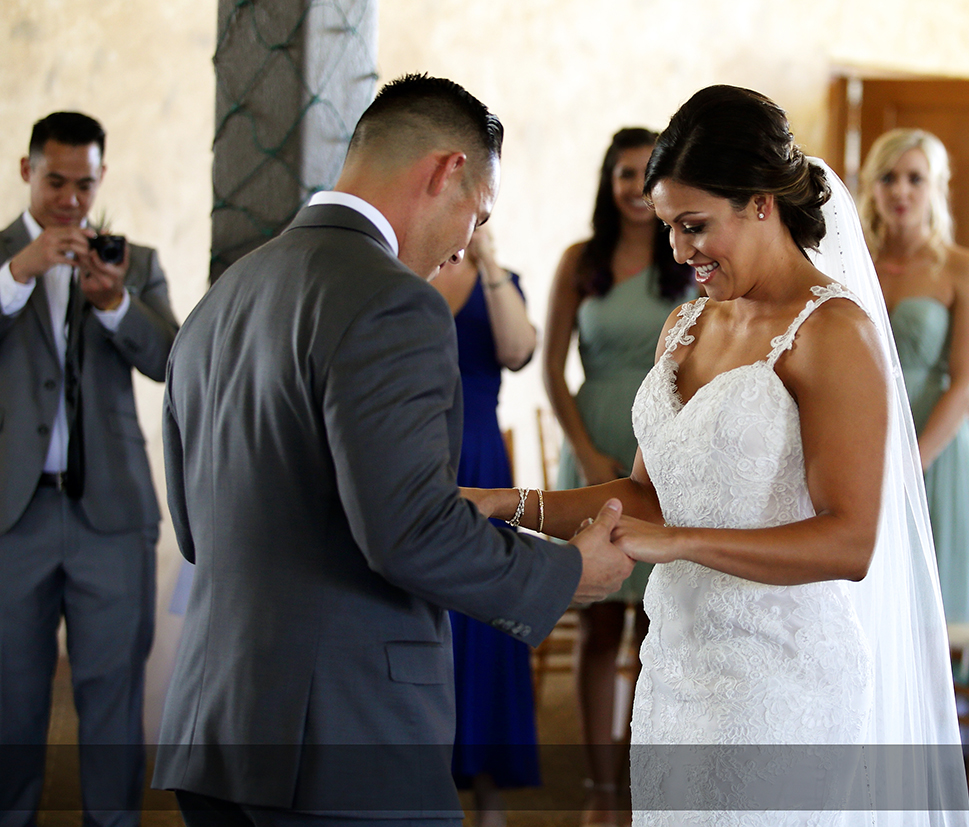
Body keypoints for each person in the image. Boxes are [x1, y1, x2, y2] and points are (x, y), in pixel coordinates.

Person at [467, 86, 969, 826]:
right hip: (675, 668)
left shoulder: (833, 333)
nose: (678, 249)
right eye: (670, 226)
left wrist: (674, 545)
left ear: (761, 202)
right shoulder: (687, 320)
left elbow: (851, 540)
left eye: (695, 225)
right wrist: (506, 503)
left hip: (780, 683)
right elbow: (646, 493)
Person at [153, 74, 633, 824]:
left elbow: (192, 524)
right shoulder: (391, 299)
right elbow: (409, 531)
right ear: (446, 171)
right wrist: (568, 570)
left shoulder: (227, 293)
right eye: (476, 214)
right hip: (342, 735)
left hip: (213, 730)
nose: (463, 244)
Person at [0, 111, 179, 825]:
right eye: (56, 182)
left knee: (112, 696)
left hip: (112, 513)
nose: (72, 199)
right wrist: (20, 273)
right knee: (10, 697)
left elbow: (172, 360)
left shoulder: (134, 259)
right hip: (13, 516)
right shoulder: (2, 260)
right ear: (26, 172)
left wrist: (113, 303)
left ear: (101, 178)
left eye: (85, 183)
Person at [542, 127, 694, 825]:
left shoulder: (688, 262)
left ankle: (642, 775)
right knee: (600, 621)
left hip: (664, 450)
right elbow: (551, 368)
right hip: (596, 443)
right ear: (607, 182)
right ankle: (600, 787)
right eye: (622, 173)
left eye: (646, 174)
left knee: (655, 623)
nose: (634, 187)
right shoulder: (581, 260)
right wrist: (585, 451)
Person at [857, 128, 969, 625]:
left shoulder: (965, 270)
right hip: (859, 436)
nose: (900, 191)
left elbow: (967, 384)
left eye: (915, 178)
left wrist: (913, 464)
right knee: (863, 604)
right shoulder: (851, 266)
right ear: (871, 186)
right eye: (888, 178)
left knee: (923, 611)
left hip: (932, 446)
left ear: (937, 187)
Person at [432, 226, 538, 827]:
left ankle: (489, 795)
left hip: (479, 457)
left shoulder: (502, 280)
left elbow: (518, 351)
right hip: (417, 450)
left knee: (484, 614)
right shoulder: (402, 270)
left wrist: (491, 261)